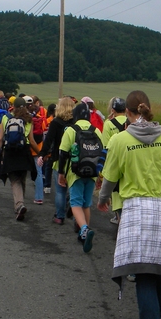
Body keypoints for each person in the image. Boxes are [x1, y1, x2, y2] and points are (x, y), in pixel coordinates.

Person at [98, 90, 161, 319]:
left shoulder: (120, 139)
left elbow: (110, 178)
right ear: (149, 108)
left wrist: (103, 199)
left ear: (126, 112)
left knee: (145, 273)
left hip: (136, 210)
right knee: (159, 267)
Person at [59, 101, 105, 252]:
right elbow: (102, 154)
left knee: (75, 203)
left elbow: (63, 153)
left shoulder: (71, 130)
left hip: (75, 172)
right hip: (92, 173)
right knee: (86, 203)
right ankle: (83, 233)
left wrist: (61, 173)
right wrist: (100, 175)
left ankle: (84, 229)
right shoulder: (96, 131)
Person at [0, 100, 38, 220]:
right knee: (22, 178)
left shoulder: (6, 118)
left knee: (14, 180)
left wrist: (2, 154)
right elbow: (31, 140)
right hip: (24, 151)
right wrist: (40, 153)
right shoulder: (28, 119)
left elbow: (1, 138)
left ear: (13, 106)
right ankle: (20, 204)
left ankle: (19, 205)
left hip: (10, 151)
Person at [42, 97, 74, 225]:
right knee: (72, 189)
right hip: (73, 160)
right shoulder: (75, 122)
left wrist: (43, 154)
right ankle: (72, 207)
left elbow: (49, 140)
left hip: (58, 158)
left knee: (60, 190)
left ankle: (59, 216)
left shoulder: (55, 122)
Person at [101, 97, 127, 225]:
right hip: (129, 162)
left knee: (116, 193)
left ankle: (118, 217)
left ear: (113, 110)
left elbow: (105, 146)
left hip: (115, 163)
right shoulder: (131, 122)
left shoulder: (109, 124)